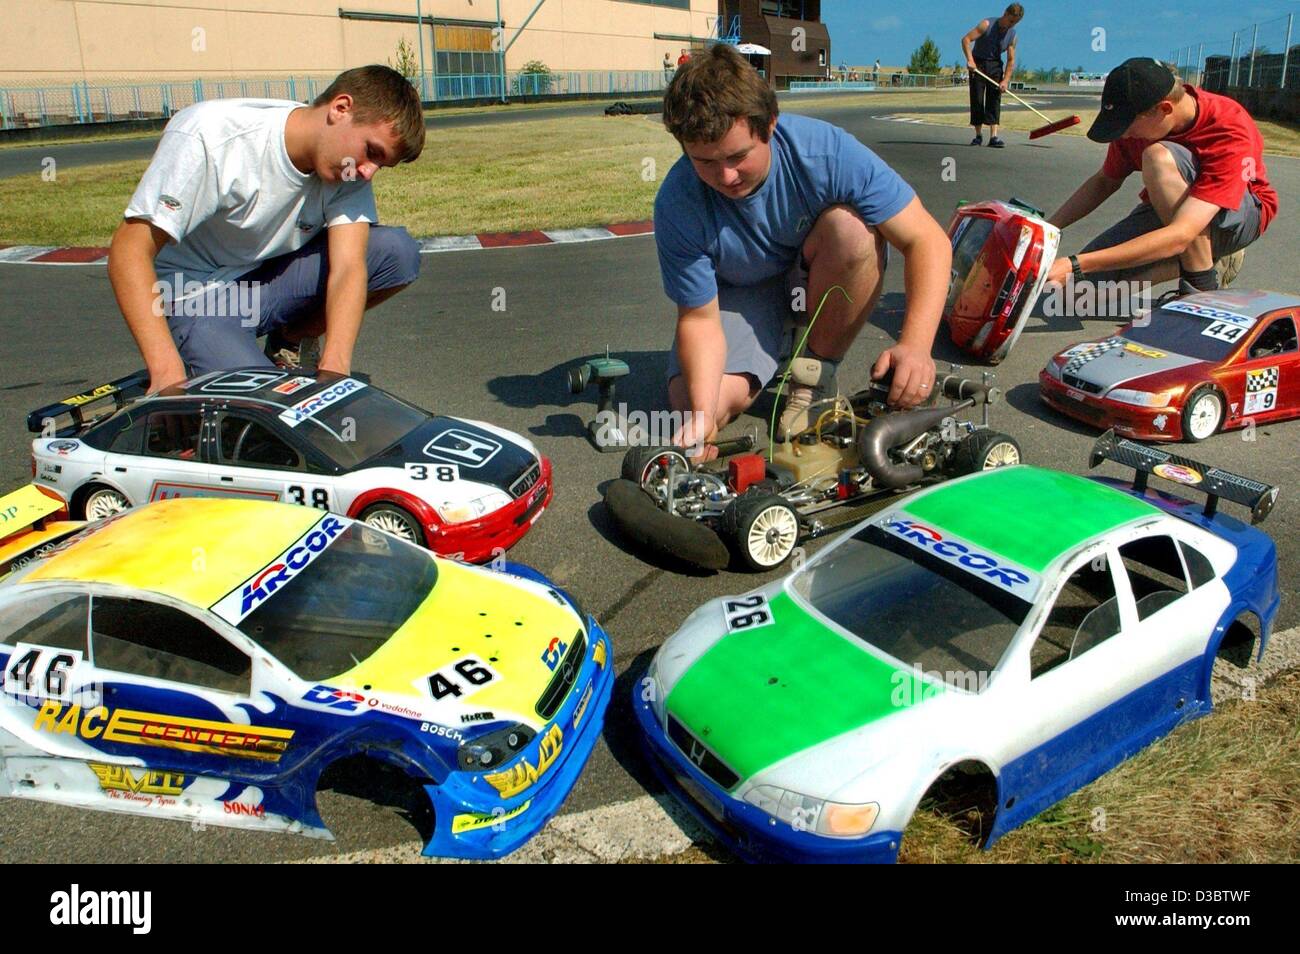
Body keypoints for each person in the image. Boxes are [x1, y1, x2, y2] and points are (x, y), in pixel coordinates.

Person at [653, 44, 951, 458]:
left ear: (770, 124)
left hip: (817, 270)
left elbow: (926, 239)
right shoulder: (677, 200)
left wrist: (916, 346)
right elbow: (700, 319)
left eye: (738, 156)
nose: (725, 176)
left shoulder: (826, 153)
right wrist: (704, 415)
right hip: (742, 292)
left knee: (852, 229)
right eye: (705, 161)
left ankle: (813, 374)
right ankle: (768, 353)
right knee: (693, 410)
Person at [109, 65, 425, 393]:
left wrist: (335, 369)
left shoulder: (349, 167)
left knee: (396, 252)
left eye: (381, 164)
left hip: (264, 279)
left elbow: (348, 267)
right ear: (340, 108)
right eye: (372, 152)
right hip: (194, 297)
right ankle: (197, 356)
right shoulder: (210, 136)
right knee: (268, 406)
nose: (368, 172)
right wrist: (166, 373)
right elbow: (128, 250)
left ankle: (289, 338)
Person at [1045, 58, 1276, 296]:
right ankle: (1207, 258)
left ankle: (1199, 287)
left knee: (1157, 157)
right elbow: (1105, 181)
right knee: (1079, 294)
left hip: (1235, 216)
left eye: (1128, 125)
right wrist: (1047, 229)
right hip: (1172, 212)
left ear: (1164, 109)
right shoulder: (1139, 126)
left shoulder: (1228, 126)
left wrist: (1076, 263)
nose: (1123, 135)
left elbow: (1183, 233)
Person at [962, 3, 1023, 148]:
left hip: (995, 65)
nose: (1011, 25)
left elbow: (1010, 60)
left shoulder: (1012, 35)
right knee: (977, 99)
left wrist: (1006, 80)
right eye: (1011, 21)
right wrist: (970, 60)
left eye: (1015, 23)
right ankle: (978, 136)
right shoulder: (986, 24)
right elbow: (966, 40)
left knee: (994, 99)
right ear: (1005, 14)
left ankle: (994, 137)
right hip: (978, 64)